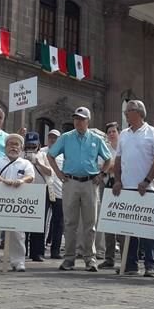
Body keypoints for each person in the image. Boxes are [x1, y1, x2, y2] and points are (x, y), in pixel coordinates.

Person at [47, 106, 113, 272]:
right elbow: (50, 155)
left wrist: (102, 174)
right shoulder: (66, 138)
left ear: (87, 121)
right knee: (70, 222)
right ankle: (69, 258)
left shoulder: (96, 139)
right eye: (76, 118)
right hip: (71, 182)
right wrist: (59, 174)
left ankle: (90, 259)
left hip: (91, 182)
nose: (78, 121)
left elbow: (108, 158)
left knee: (90, 223)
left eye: (81, 119)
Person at [112, 100, 154, 277]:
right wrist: (117, 180)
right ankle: (130, 264)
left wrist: (147, 180)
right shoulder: (124, 135)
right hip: (126, 188)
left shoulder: (152, 133)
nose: (126, 113)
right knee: (128, 230)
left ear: (139, 112)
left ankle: (150, 265)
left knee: (148, 230)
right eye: (125, 111)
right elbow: (118, 160)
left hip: (147, 189)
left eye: (129, 110)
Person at [0, 134, 36, 271]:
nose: (13, 147)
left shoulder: (25, 163)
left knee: (18, 234)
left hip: (17, 204)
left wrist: (21, 181)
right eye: (10, 144)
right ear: (6, 147)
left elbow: (30, 176)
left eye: (16, 144)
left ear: (21, 148)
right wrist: (3, 182)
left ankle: (18, 262)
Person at [24, 132, 53, 262]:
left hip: (41, 191)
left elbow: (50, 172)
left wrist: (37, 163)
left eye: (33, 146)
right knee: (23, 223)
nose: (31, 148)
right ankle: (22, 250)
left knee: (39, 223)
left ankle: (37, 252)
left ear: (38, 145)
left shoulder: (44, 155)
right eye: (29, 145)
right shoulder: (20, 155)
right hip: (25, 190)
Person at [98, 121, 121, 269]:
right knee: (108, 221)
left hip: (123, 186)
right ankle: (109, 257)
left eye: (114, 131)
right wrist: (112, 166)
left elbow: (122, 165)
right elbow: (102, 166)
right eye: (109, 132)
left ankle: (127, 257)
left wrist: (111, 166)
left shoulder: (124, 147)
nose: (112, 134)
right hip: (106, 186)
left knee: (123, 221)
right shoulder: (104, 148)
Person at [42, 129, 64, 259]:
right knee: (42, 220)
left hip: (59, 191)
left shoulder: (63, 154)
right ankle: (39, 249)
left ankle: (55, 251)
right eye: (50, 137)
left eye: (55, 138)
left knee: (58, 222)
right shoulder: (42, 152)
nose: (52, 139)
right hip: (44, 189)